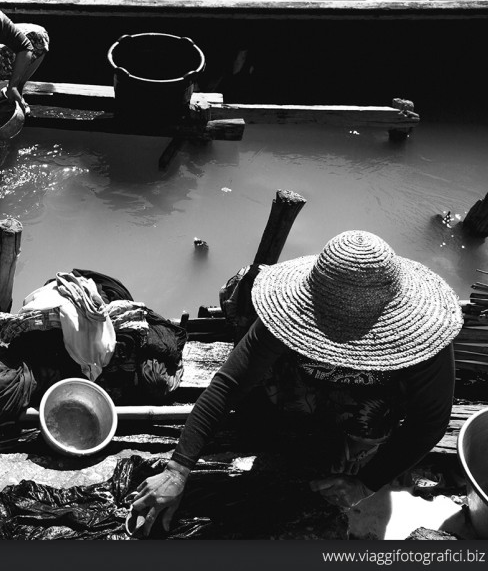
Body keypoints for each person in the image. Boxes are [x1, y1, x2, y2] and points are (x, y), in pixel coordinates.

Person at [127, 230, 462, 537]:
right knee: (264, 416)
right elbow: (229, 384)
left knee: (370, 426)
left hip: (366, 407)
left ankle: (351, 453)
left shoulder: (424, 340)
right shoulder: (286, 315)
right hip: (297, 392)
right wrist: (178, 468)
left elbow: (429, 422)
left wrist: (366, 484)